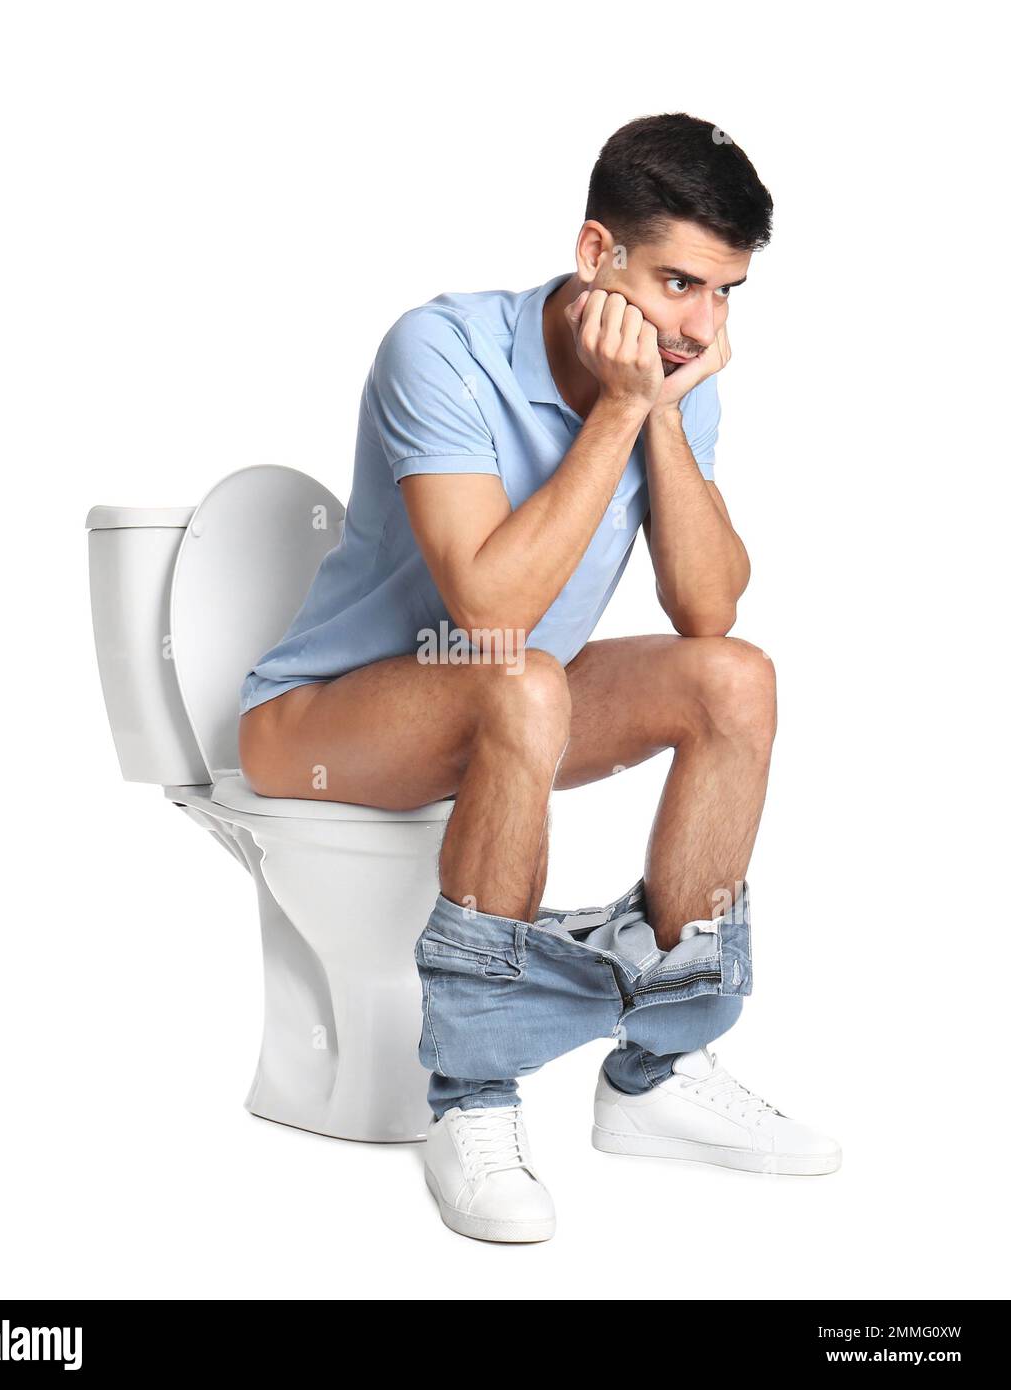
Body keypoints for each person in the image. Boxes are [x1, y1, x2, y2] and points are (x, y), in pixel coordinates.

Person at [238, 111, 841, 1243]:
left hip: (514, 694)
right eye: (677, 283)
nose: (700, 326)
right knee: (522, 678)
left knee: (737, 680)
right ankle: (470, 1095)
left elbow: (707, 608)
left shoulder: (673, 370)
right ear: (594, 251)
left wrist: (658, 407)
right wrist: (620, 408)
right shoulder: (440, 348)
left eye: (726, 295)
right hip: (317, 714)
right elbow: (490, 612)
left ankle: (656, 1071)